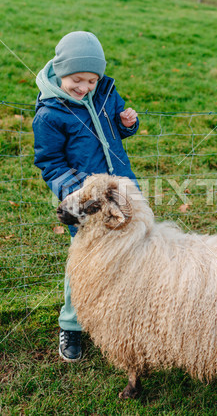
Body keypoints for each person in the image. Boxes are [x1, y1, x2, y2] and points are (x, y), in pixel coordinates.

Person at [33, 31, 139, 362]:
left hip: (121, 189)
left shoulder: (106, 91)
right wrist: (79, 196)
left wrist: (127, 124)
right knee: (84, 262)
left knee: (129, 251)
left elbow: (116, 128)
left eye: (91, 80)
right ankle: (72, 324)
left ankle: (120, 316)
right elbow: (51, 164)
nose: (84, 88)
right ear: (61, 71)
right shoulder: (50, 113)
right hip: (85, 203)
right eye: (77, 80)